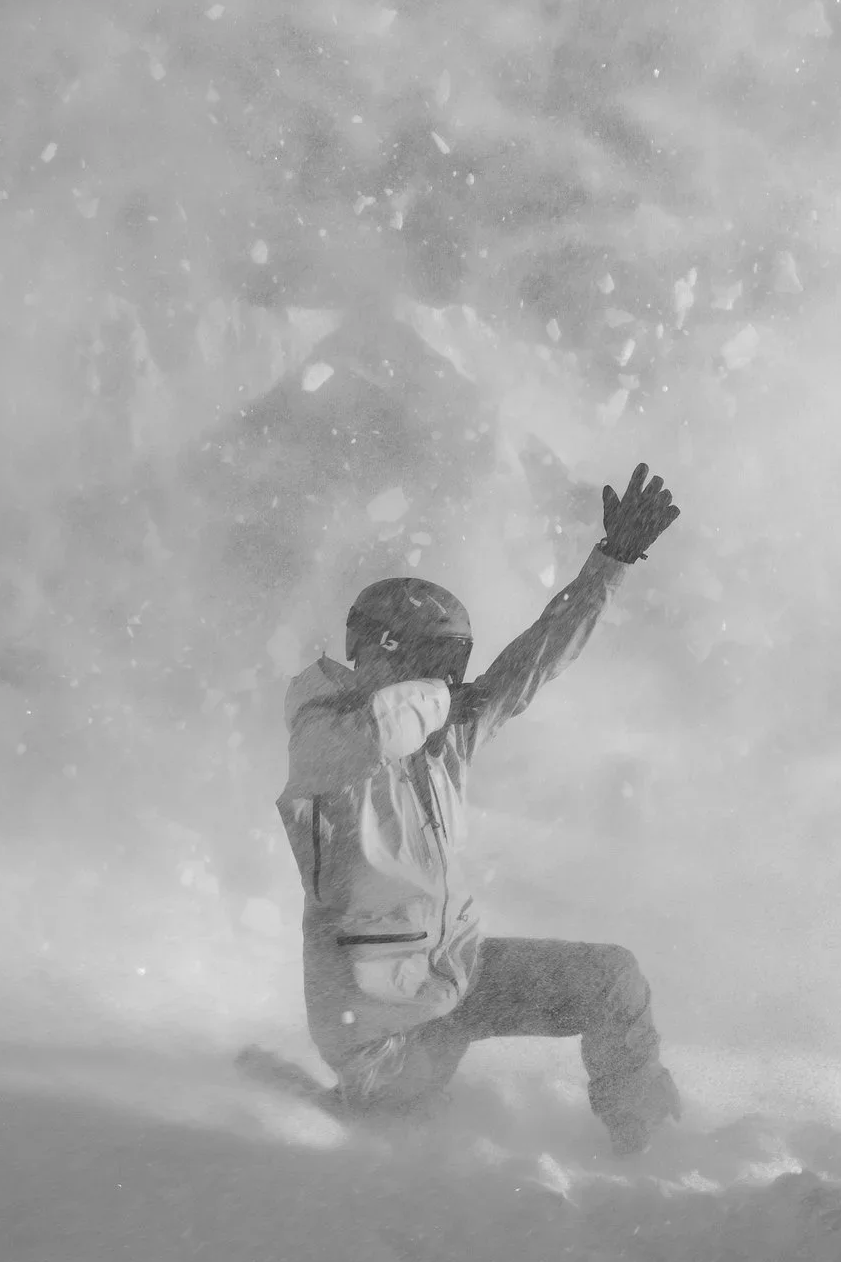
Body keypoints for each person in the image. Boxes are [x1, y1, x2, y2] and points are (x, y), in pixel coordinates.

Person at [272, 463, 683, 1154]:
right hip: (387, 1034)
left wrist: (609, 564)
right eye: (439, 663)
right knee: (421, 1122)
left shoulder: (443, 735)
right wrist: (439, 700)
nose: (453, 681)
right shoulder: (326, 736)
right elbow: (377, 728)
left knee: (613, 979)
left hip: (449, 989)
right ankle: (382, 1132)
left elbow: (530, 664)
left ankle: (652, 1146)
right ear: (384, 654)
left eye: (456, 666)